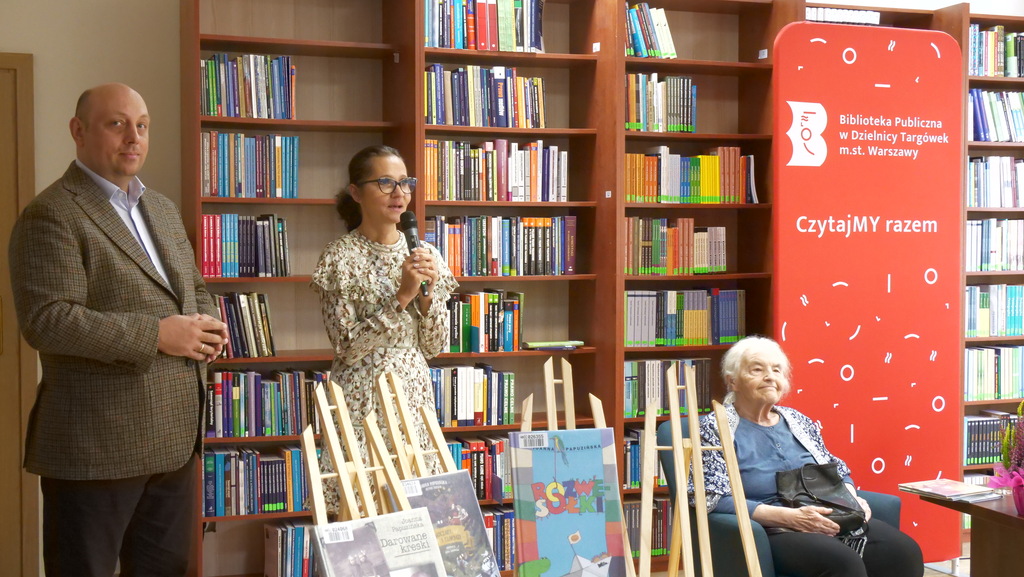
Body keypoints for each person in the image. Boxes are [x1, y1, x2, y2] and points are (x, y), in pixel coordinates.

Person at [8, 83, 229, 577]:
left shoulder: (162, 209)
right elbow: (48, 320)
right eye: (117, 124)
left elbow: (193, 288)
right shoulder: (51, 213)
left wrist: (208, 325)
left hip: (174, 442)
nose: (134, 137)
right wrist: (157, 334)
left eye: (142, 126)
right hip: (96, 446)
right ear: (78, 131)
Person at [695, 336, 923, 577]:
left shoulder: (797, 420)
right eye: (757, 370)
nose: (770, 377)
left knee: (903, 551)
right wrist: (791, 517)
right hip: (774, 528)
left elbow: (837, 470)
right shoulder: (715, 427)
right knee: (842, 562)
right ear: (732, 381)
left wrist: (852, 501)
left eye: (776, 370)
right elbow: (712, 497)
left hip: (830, 514)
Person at [311, 145, 457, 505]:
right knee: (361, 506)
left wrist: (426, 299)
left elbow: (434, 346)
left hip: (413, 393)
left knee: (415, 507)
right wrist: (402, 298)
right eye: (386, 183)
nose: (399, 193)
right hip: (360, 396)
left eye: (405, 183)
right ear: (356, 192)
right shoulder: (339, 256)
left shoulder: (427, 254)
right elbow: (347, 348)